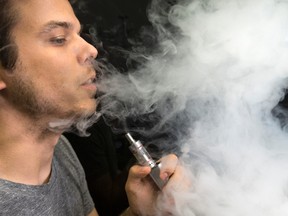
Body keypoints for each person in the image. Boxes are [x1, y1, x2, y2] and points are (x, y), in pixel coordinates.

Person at [0, 0, 184, 215]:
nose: (91, 50)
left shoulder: (61, 151)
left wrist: (144, 211)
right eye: (59, 39)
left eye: (79, 35)